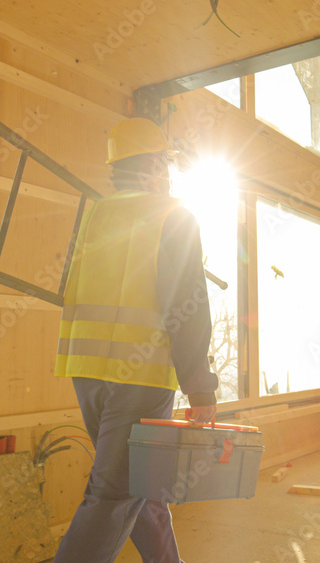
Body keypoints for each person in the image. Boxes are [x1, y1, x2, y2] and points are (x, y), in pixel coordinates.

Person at [53, 117, 219, 563]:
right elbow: (187, 306)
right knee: (116, 493)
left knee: (142, 486)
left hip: (87, 373)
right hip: (141, 375)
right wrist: (200, 384)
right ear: (151, 165)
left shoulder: (96, 215)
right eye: (164, 163)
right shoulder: (174, 216)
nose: (167, 172)